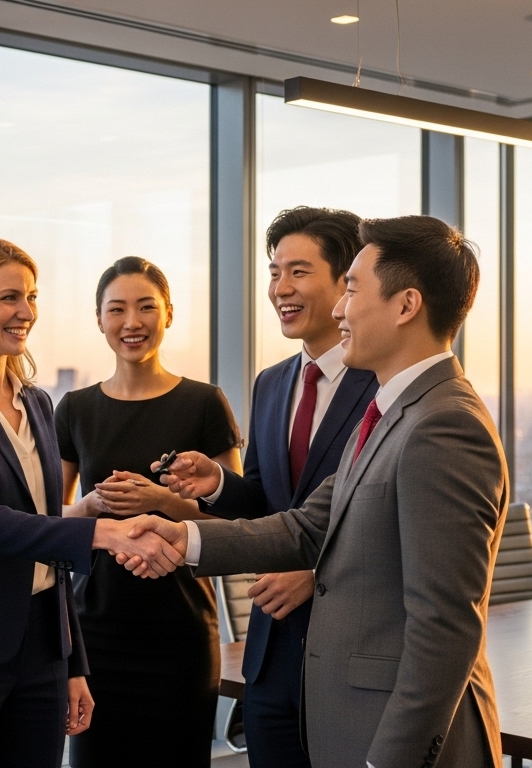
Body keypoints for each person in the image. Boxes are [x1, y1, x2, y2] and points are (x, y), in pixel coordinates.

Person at [126, 215, 507, 768]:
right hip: (342, 717)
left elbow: (446, 627)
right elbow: (306, 525)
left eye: (351, 288)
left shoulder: (444, 426)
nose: (338, 309)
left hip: (389, 740)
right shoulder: (392, 411)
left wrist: (390, 762)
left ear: (405, 305)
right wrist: (181, 537)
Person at [0, 235, 186, 768]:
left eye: (31, 297)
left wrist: (71, 661)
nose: (26, 312)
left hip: (41, 650)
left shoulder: (37, 401)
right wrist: (103, 532)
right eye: (9, 297)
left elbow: (44, 531)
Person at [55, 256, 242, 767]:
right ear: (99, 319)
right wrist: (92, 507)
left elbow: (236, 526)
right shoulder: (74, 409)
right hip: (95, 632)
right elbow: (47, 520)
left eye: (146, 308)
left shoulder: (205, 403)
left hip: (180, 631)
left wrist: (162, 502)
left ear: (169, 314)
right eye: (117, 309)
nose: (132, 323)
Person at [218, 207, 378, 768]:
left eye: (299, 272)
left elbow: (391, 520)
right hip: (271, 657)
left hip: (349, 658)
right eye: (273, 271)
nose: (280, 288)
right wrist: (217, 483)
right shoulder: (271, 383)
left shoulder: (386, 385)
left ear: (345, 283)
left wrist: (318, 574)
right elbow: (268, 501)